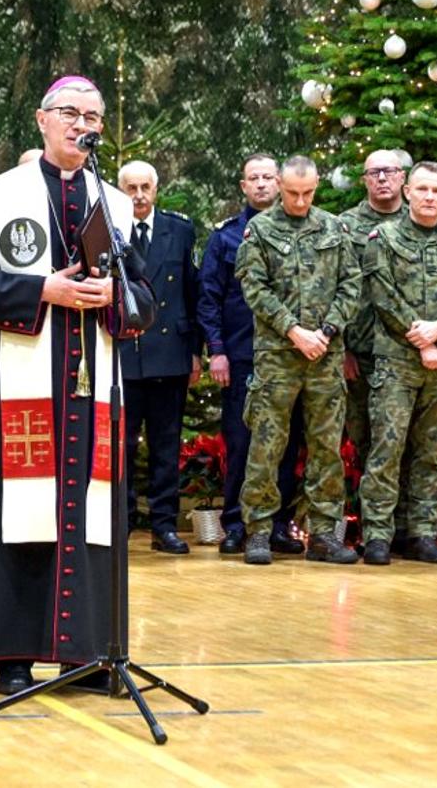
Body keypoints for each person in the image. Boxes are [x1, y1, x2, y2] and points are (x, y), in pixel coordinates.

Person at [0, 76, 155, 695]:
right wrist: (44, 289)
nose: (81, 123)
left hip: (95, 386)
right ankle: (11, 654)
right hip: (25, 385)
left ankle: (86, 653)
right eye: (69, 112)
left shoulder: (114, 204)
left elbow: (145, 300)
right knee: (21, 510)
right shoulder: (2, 194)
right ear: (41, 120)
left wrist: (114, 294)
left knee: (91, 516)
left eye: (92, 115)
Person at [235, 155, 362, 565]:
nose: (300, 201)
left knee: (327, 446)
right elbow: (254, 289)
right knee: (267, 444)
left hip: (325, 355)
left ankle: (323, 533)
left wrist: (325, 332)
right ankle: (257, 530)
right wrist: (294, 330)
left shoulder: (334, 228)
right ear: (279, 185)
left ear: (317, 186)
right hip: (277, 356)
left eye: (307, 193)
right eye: (292, 193)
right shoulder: (261, 229)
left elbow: (351, 285)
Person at [356, 162, 437, 565]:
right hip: (396, 361)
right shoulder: (384, 238)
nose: (429, 197)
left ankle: (422, 533)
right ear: (407, 192)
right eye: (422, 189)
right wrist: (420, 337)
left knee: (430, 453)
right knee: (386, 449)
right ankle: (377, 533)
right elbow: (383, 296)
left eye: (436, 191)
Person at [197, 153, 306, 555]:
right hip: (242, 355)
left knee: (286, 444)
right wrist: (217, 351)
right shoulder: (226, 236)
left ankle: (277, 525)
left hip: (288, 357)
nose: (260, 184)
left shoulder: (299, 229)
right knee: (241, 442)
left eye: (267, 177)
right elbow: (208, 299)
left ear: (279, 182)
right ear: (243, 186)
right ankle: (235, 524)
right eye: (252, 179)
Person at [115, 160, 199, 554]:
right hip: (124, 355)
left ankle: (165, 524)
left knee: (167, 446)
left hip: (169, 356)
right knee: (121, 446)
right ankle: (121, 522)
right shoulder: (108, 231)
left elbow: (191, 292)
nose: (139, 195)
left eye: (145, 186)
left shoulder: (179, 230)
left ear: (156, 187)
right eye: (131, 188)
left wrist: (196, 351)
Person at [338, 150, 408, 533]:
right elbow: (334, 286)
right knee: (365, 442)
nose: (382, 178)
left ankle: (405, 528)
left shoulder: (419, 220)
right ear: (365, 179)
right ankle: (372, 527)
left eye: (390, 171)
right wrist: (343, 347)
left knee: (406, 443)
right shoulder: (345, 226)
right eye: (374, 172)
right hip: (360, 352)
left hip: (405, 353)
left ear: (403, 178)